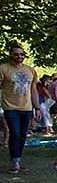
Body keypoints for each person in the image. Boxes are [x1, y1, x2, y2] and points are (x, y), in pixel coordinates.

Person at [0, 46, 42, 174]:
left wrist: (37, 107)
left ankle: (18, 159)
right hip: (10, 107)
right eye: (16, 54)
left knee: (23, 135)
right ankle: (15, 162)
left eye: (21, 54)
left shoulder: (30, 70)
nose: (19, 57)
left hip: (27, 108)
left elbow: (33, 90)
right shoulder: (3, 68)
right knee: (15, 133)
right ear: (11, 55)